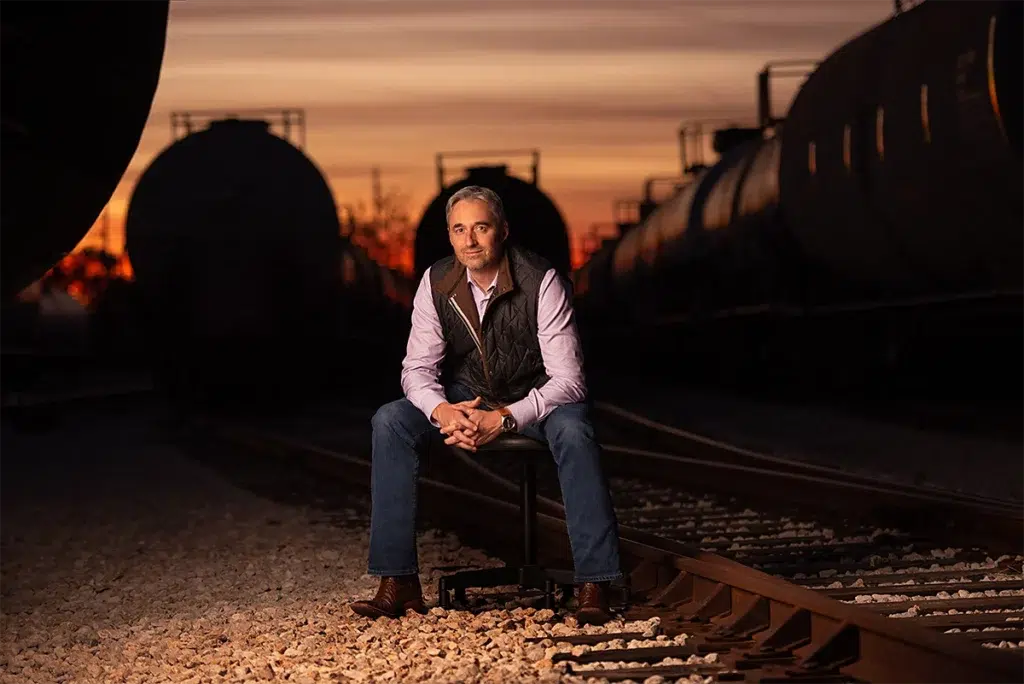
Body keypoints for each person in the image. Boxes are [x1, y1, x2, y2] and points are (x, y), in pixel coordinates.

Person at [350, 185, 622, 625]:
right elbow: (416, 369)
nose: (470, 240)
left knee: (575, 430)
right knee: (390, 421)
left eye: (481, 227)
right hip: (465, 398)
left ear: (503, 231)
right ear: (450, 235)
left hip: (536, 401)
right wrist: (444, 411)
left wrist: (505, 418)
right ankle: (396, 582)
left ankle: (595, 583)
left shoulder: (541, 279)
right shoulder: (437, 281)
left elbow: (569, 382)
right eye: (460, 230)